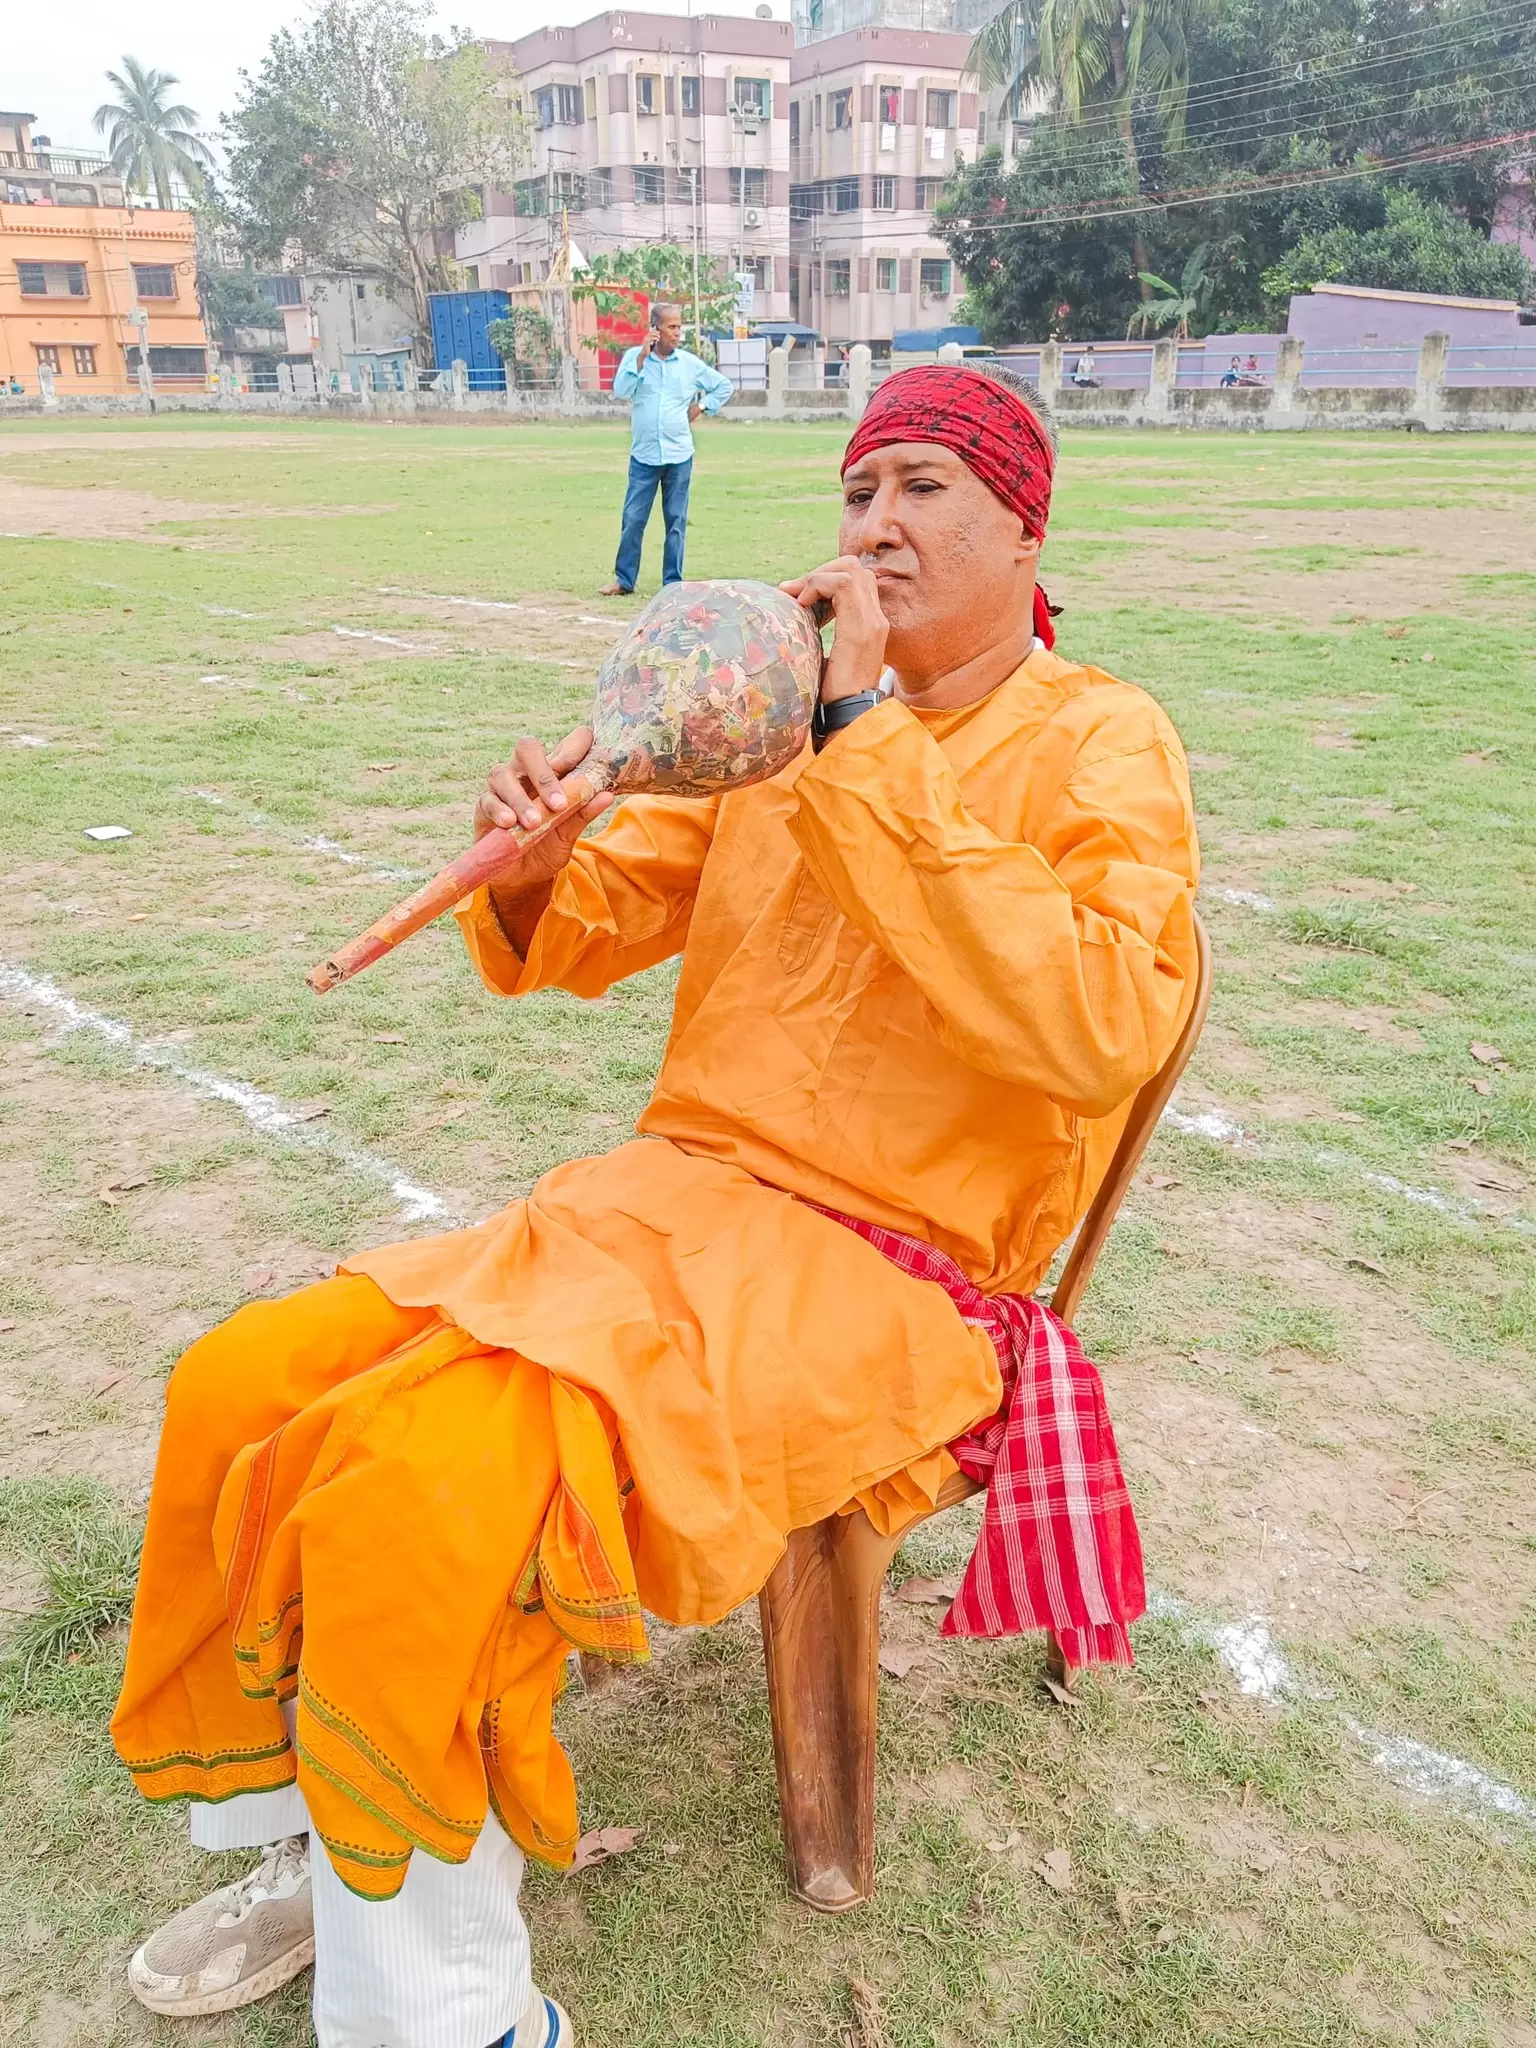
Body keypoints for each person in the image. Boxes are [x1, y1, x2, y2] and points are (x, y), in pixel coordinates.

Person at [113, 363, 1200, 2048]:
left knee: (424, 1486)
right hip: (673, 1204)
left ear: (1023, 528)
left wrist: (865, 740)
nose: (875, 524)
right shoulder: (778, 725)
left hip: (889, 1274)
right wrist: (542, 854)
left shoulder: (1099, 738)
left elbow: (1103, 1024)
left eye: (923, 486)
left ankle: (451, 2014)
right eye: (857, 491)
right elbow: (606, 913)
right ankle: (324, 1838)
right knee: (243, 1378)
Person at [599, 302, 733, 596]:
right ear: (655, 329)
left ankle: (672, 583)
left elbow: (724, 386)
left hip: (679, 455)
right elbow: (621, 391)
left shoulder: (688, 363)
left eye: (679, 327)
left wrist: (701, 407)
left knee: (676, 521)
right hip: (644, 456)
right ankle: (624, 580)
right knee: (633, 520)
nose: (677, 333)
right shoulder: (635, 358)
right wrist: (640, 359)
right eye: (671, 327)